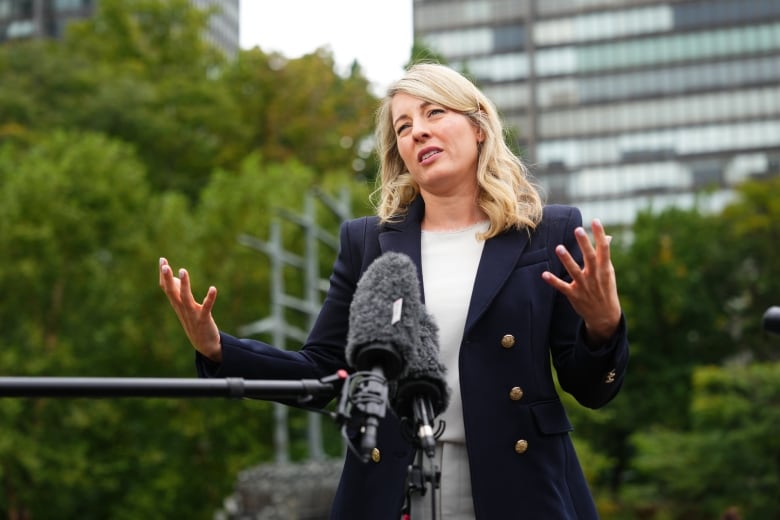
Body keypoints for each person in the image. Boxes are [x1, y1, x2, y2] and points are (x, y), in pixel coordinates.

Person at [159, 62, 629, 519]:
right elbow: (324, 372)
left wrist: (603, 325)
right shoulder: (367, 243)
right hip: (393, 487)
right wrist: (219, 350)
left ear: (479, 126)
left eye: (434, 113)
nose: (418, 131)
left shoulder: (548, 233)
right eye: (403, 127)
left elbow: (590, 389)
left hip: (522, 485)